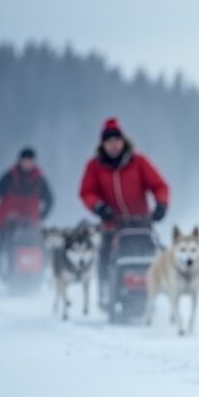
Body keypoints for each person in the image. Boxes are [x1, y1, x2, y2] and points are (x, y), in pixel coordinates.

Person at [79, 117, 170, 305]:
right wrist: (98, 206)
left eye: (117, 141)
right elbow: (86, 192)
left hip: (141, 223)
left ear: (123, 141)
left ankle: (155, 289)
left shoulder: (139, 162)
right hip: (113, 224)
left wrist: (161, 205)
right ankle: (105, 288)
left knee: (151, 257)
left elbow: (159, 185)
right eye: (109, 142)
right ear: (103, 144)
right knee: (105, 255)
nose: (114, 145)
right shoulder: (94, 166)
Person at [0, 147, 53, 274]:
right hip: (8, 217)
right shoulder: (9, 176)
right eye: (25, 160)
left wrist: (43, 215)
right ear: (20, 160)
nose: (27, 163)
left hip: (31, 218)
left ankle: (40, 268)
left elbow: (49, 198)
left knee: (38, 242)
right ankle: (2, 265)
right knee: (5, 241)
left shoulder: (39, 179)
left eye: (30, 160)